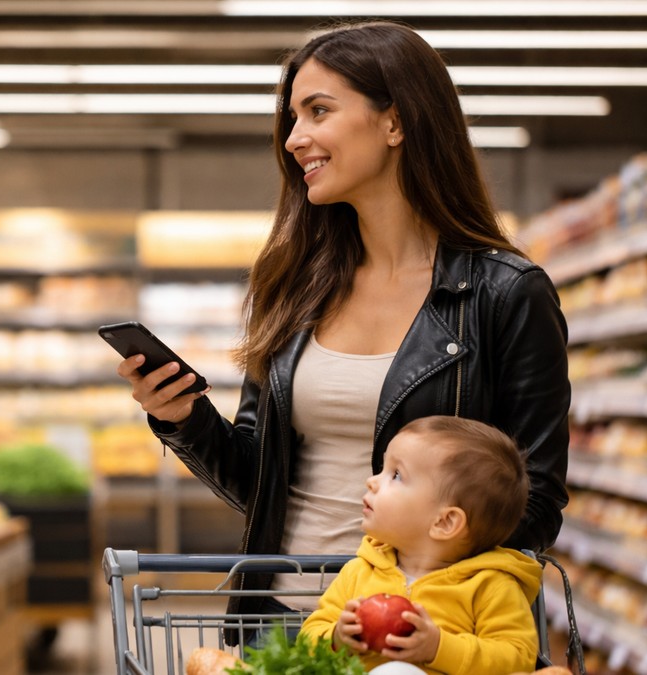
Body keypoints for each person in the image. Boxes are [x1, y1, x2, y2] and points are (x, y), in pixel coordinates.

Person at [115, 19, 569, 636]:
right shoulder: (295, 287)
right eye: (292, 118)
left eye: (318, 111)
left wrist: (408, 596)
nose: (295, 138)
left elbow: (534, 501)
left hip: (420, 633)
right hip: (278, 624)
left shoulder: (505, 294)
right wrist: (183, 420)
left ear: (396, 121)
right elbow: (258, 483)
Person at [299, 416, 541, 674]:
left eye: (396, 475)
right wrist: (336, 638)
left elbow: (517, 658)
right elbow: (308, 637)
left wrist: (438, 647)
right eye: (383, 468)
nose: (372, 480)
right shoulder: (359, 571)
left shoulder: (490, 586)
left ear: (445, 522)